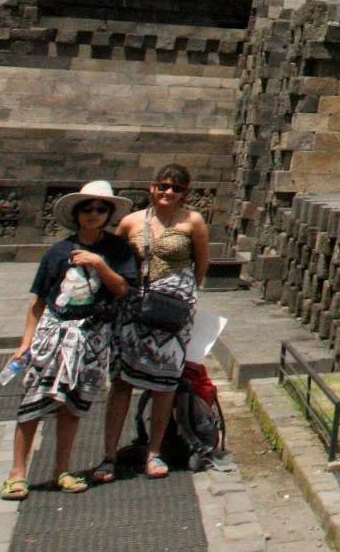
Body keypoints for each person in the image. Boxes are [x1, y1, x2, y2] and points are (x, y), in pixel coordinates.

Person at [2, 182, 137, 500]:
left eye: (100, 209)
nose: (93, 214)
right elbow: (39, 301)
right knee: (33, 401)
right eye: (87, 208)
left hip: (92, 335)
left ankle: (62, 468)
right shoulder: (57, 252)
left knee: (73, 406)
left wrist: (98, 264)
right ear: (77, 214)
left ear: (108, 215)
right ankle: (17, 472)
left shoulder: (117, 251)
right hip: (54, 333)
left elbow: (122, 290)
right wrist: (26, 342)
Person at [99, 164, 211, 482]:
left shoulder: (193, 222)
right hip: (134, 307)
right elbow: (116, 258)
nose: (169, 193)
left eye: (176, 188)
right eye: (163, 186)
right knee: (122, 381)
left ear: (185, 193)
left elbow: (201, 265)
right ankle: (109, 454)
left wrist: (183, 294)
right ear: (152, 187)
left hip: (174, 312)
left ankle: (154, 451)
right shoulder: (132, 222)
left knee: (165, 383)